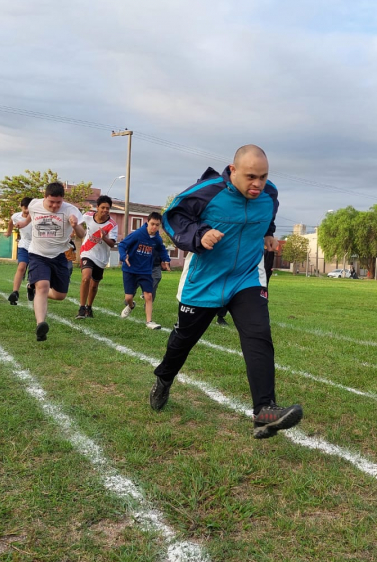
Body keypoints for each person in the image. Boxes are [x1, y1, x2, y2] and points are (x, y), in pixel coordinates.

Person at [149, 144, 303, 440]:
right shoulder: (208, 191)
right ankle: (164, 379)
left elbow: (268, 214)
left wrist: (269, 233)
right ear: (232, 171)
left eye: (263, 176)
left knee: (259, 335)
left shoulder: (269, 193)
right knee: (182, 342)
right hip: (204, 280)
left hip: (246, 278)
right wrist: (199, 235)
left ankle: (264, 411)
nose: (257, 184)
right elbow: (173, 217)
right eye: (250, 177)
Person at [13, 182, 85, 341]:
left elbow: (82, 234)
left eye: (58, 202)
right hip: (38, 254)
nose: (54, 206)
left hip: (60, 255)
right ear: (44, 197)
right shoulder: (34, 204)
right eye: (51, 202)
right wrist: (24, 223)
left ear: (63, 200)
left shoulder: (71, 210)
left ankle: (33, 288)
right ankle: (41, 326)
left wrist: (75, 225)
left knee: (60, 295)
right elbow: (31, 215)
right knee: (43, 286)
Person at [118, 212, 170, 329]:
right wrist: (123, 256)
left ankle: (149, 322)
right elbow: (122, 245)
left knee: (149, 295)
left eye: (157, 225)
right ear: (147, 222)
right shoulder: (137, 234)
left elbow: (162, 249)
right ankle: (131, 306)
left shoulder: (157, 238)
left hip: (146, 270)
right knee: (128, 297)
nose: (154, 227)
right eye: (152, 224)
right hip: (130, 269)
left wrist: (166, 259)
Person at [76, 195, 118, 319]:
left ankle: (89, 307)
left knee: (94, 285)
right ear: (97, 207)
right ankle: (82, 308)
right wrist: (75, 228)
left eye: (108, 208)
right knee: (86, 277)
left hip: (101, 257)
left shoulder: (112, 225)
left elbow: (112, 244)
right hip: (87, 252)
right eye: (103, 207)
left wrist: (104, 237)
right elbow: (78, 223)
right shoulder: (87, 215)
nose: (105, 210)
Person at [216, 250, 274, 327]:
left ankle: (262, 320)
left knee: (260, 297)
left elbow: (268, 265)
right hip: (243, 272)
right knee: (229, 293)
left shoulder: (268, 246)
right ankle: (220, 316)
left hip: (260, 275)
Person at [6, 197, 33, 305]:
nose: (26, 211)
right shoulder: (16, 216)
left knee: (34, 271)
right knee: (21, 267)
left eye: (28, 209)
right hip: (24, 244)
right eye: (24, 208)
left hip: (37, 246)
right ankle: (15, 292)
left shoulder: (36, 216)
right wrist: (8, 232)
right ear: (21, 207)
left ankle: (31, 287)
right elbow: (10, 222)